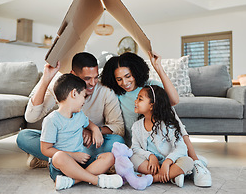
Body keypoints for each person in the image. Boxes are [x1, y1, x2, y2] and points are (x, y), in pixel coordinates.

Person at [101, 51, 212, 187]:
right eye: (119, 79)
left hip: (164, 141)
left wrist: (158, 67)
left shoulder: (149, 87)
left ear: (135, 72)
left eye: (128, 76)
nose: (124, 82)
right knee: (131, 159)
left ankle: (195, 163)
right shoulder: (116, 93)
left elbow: (174, 100)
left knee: (169, 111)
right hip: (142, 146)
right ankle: (172, 174)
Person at [17, 52, 124, 169]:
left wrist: (94, 130)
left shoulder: (105, 91)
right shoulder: (62, 85)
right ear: (73, 74)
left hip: (89, 143)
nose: (93, 83)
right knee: (24, 137)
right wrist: (45, 79)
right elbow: (31, 117)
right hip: (63, 142)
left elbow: (119, 128)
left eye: (96, 77)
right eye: (87, 78)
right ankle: (94, 164)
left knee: (117, 141)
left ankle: (55, 160)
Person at [40, 73, 123, 190]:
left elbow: (88, 122)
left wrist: (94, 129)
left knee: (109, 157)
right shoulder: (52, 120)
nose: (84, 100)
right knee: (59, 156)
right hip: (61, 167)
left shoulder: (79, 114)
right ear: (74, 93)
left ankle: (72, 181)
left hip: (81, 162)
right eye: (83, 96)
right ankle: (96, 180)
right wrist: (73, 156)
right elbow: (45, 149)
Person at [131, 85, 193, 187]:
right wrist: (150, 156)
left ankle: (153, 179)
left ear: (152, 105)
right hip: (151, 164)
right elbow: (135, 148)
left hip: (170, 163)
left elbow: (182, 148)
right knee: (132, 158)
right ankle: (171, 176)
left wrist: (167, 162)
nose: (135, 101)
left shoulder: (167, 125)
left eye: (140, 99)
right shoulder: (136, 126)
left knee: (188, 162)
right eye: (137, 98)